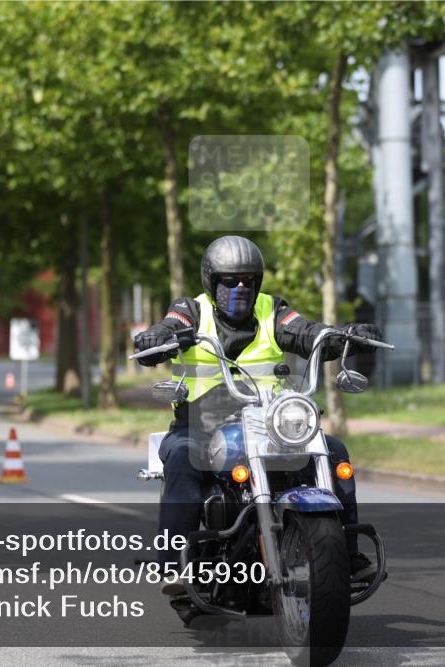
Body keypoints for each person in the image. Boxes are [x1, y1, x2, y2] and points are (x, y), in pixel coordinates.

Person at [133, 236, 384, 594]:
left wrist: (343, 336)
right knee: (180, 457)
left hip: (268, 422)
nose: (239, 287)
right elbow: (167, 328)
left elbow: (305, 332)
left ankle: (346, 555)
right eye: (229, 281)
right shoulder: (190, 311)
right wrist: (154, 338)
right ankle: (176, 564)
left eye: (248, 281)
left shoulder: (273, 310)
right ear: (211, 281)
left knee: (334, 452)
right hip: (201, 423)